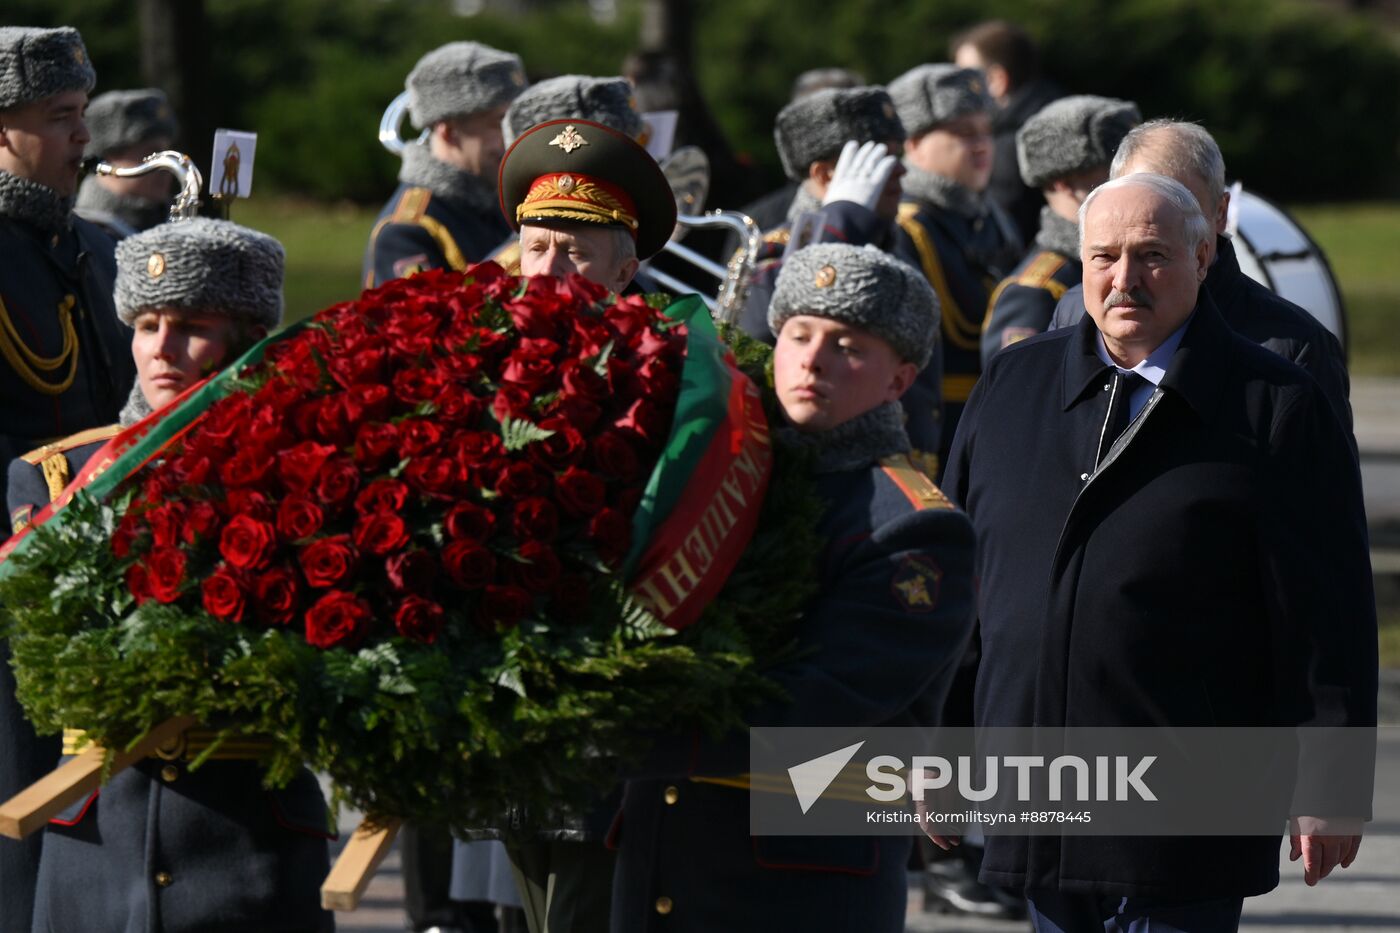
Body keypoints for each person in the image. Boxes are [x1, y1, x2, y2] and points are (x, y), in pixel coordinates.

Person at [942, 173, 1376, 932]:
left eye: (1152, 256)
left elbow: (1328, 608)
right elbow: (961, 587)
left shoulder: (1273, 402)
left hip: (1185, 811)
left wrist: (1331, 780)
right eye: (1103, 256)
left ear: (1205, 255)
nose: (1124, 278)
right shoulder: (1015, 383)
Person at [609, 241, 976, 933]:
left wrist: (624, 732)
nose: (812, 361)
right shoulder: (719, 475)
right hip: (664, 859)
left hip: (798, 891)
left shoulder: (912, 527)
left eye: (848, 346)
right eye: (798, 336)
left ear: (900, 380)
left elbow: (816, 711)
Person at [8, 218, 336, 933]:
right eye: (147, 323)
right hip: (96, 851)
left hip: (245, 844)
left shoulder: (311, 480)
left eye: (191, 326)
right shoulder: (58, 477)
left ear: (247, 337)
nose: (161, 349)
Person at [488, 116, 678, 933]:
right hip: (504, 702)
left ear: (626, 266)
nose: (550, 270)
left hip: (619, 708)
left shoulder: (675, 375)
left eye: (576, 250)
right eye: (536, 247)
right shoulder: (482, 361)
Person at [0, 26, 136, 933]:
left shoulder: (87, 241)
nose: (84, 139)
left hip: (94, 569)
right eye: (61, 118)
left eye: (82, 114)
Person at [1047, 119, 1353, 445]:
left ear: (1220, 212)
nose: (1154, 218)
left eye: (1179, 204)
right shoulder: (1075, 309)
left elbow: (1321, 489)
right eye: (1138, 198)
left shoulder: (1294, 347)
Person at [736, 87, 949, 476]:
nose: (901, 170)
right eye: (880, 157)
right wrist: (842, 217)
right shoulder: (775, 251)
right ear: (825, 174)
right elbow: (759, 341)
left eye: (898, 154)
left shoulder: (897, 244)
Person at [887, 63, 1021, 479]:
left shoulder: (991, 218)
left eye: (985, 131)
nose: (981, 145)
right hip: (941, 434)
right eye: (962, 132)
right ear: (912, 144)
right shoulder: (905, 229)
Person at [981, 95, 1139, 365]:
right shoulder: (1035, 292)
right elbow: (1017, 397)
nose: (1129, 183)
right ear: (1063, 183)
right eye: (1113, 172)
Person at [362, 40, 527, 288]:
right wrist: (524, 247)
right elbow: (425, 323)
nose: (515, 137)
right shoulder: (406, 230)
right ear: (449, 132)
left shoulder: (496, 202)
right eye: (499, 123)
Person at [950, 20, 1063, 245]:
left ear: (996, 80)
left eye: (966, 79)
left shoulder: (1007, 145)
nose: (956, 90)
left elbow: (1006, 235)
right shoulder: (1059, 111)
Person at [74, 88, 179, 238]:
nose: (166, 164)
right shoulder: (82, 231)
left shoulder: (176, 223)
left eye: (168, 152)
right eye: (151, 153)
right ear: (107, 158)